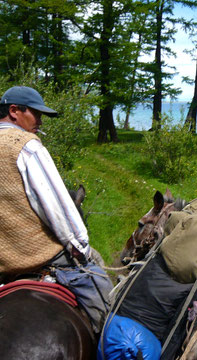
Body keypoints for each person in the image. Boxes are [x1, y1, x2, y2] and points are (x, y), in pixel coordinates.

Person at [0, 86, 112, 333]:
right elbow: (57, 208)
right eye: (36, 114)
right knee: (106, 301)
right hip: (40, 258)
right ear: (14, 111)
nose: (39, 121)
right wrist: (81, 250)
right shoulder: (26, 146)